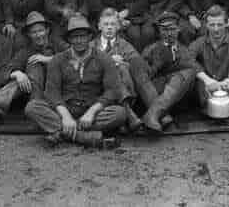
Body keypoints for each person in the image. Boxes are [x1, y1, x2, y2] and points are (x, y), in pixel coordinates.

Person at [25, 16, 126, 148]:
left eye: (83, 36)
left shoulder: (104, 58)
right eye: (75, 37)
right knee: (32, 108)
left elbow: (112, 91)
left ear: (90, 37)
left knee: (119, 113)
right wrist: (66, 117)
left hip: (92, 112)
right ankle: (85, 137)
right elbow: (52, 93)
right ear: (69, 39)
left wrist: (91, 113)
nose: (79, 41)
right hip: (65, 109)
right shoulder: (58, 60)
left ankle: (61, 132)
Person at [129, 11, 196, 133]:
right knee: (135, 63)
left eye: (172, 29)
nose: (169, 33)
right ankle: (161, 116)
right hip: (154, 93)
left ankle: (153, 114)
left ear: (178, 30)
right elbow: (143, 79)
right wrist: (158, 64)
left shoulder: (185, 50)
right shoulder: (150, 49)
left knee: (189, 72)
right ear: (159, 31)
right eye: (164, 30)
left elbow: (188, 76)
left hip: (177, 97)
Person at [187, 5, 229, 112]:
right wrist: (207, 80)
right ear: (206, 25)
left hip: (228, 89)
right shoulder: (200, 42)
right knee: (193, 67)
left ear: (226, 24)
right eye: (212, 25)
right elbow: (187, 58)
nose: (216, 29)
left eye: (219, 24)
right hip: (207, 89)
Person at [92, 8, 143, 131]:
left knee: (120, 67)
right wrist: (108, 61)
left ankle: (124, 113)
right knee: (112, 67)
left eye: (113, 24)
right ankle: (128, 114)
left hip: (126, 89)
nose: (109, 28)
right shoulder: (92, 46)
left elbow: (138, 64)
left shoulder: (124, 45)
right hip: (100, 92)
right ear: (99, 26)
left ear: (118, 27)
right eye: (106, 24)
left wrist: (124, 63)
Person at [10, 11, 62, 106]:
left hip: (58, 89)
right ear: (29, 35)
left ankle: (36, 105)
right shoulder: (27, 50)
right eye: (34, 32)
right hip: (34, 89)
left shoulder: (57, 43)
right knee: (19, 79)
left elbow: (72, 56)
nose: (38, 35)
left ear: (47, 30)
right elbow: (10, 67)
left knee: (35, 62)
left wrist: (48, 59)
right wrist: (17, 73)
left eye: (41, 30)